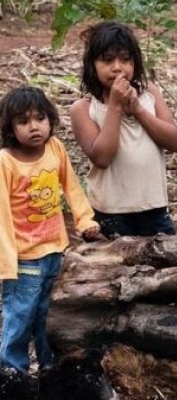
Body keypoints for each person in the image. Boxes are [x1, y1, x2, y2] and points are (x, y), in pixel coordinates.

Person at [0, 86, 100, 373]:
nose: (34, 127)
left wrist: (85, 221)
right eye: (23, 121)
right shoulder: (6, 162)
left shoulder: (55, 148)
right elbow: (2, 216)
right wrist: (7, 263)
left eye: (40, 118)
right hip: (25, 258)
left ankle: (49, 368)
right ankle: (11, 373)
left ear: (50, 119)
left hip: (56, 250)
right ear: (10, 128)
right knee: (21, 315)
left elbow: (71, 186)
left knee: (49, 314)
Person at [70, 21, 177, 238]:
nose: (117, 67)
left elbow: (174, 142)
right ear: (92, 65)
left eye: (125, 59)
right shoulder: (84, 108)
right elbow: (102, 157)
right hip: (110, 214)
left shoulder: (150, 95)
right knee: (116, 269)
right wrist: (115, 106)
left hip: (154, 210)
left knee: (166, 267)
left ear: (135, 63)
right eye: (107, 60)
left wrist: (138, 110)